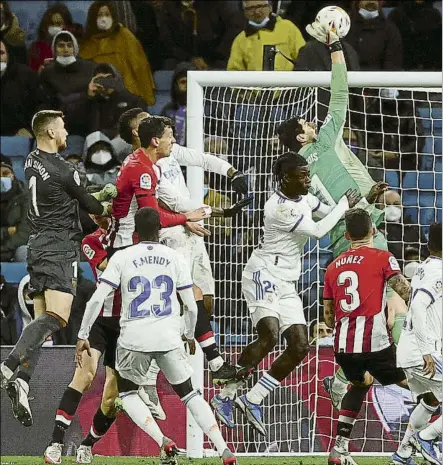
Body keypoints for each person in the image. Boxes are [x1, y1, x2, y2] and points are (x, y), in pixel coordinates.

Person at [276, 21, 407, 410]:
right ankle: (408, 371)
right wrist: (335, 46)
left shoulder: (297, 174)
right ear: (302, 137)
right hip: (364, 237)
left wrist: (368, 199)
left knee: (369, 315)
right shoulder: (318, 152)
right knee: (396, 307)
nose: (312, 122)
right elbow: (339, 94)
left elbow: (326, 206)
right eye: (306, 123)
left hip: (343, 245)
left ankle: (345, 384)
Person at [75, 207, 238, 465]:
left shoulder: (123, 257)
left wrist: (83, 333)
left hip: (133, 338)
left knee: (127, 394)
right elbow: (192, 306)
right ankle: (223, 450)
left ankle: (162, 440)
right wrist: (187, 334)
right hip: (168, 336)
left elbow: (97, 299)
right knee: (190, 394)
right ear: (160, 230)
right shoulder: (175, 258)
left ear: (135, 233)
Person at [212, 150, 359, 433]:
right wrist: (342, 204)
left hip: (287, 281)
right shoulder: (278, 208)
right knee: (270, 335)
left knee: (300, 345)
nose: (307, 180)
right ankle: (224, 397)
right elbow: (318, 231)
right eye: (301, 176)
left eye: (307, 175)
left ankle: (253, 398)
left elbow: (333, 215)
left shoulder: (305, 199)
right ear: (284, 178)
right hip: (263, 273)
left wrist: (359, 204)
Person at [117, 109, 250, 393]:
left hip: (192, 227)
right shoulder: (144, 168)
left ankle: (194, 343)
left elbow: (198, 158)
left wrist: (230, 170)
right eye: (145, 122)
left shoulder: (167, 152)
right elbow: (169, 205)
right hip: (173, 234)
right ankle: (169, 371)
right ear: (140, 134)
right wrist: (210, 213)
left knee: (205, 303)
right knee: (189, 299)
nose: (160, 126)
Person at [0, 110, 117, 428]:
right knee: (58, 317)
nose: (67, 131)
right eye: (63, 127)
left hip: (36, 246)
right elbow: (91, 206)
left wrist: (91, 193)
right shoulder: (65, 170)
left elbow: (71, 194)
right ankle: (10, 365)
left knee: (40, 324)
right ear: (50, 132)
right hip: (59, 248)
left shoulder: (30, 161)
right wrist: (108, 202)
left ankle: (22, 381)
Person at [323, 208, 411, 465]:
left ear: (347, 235)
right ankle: (423, 439)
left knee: (361, 383)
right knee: (416, 384)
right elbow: (404, 290)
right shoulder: (383, 257)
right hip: (375, 343)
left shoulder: (331, 268)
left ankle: (339, 449)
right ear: (373, 231)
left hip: (342, 347)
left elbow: (329, 318)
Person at [44, 211, 120, 464]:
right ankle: (55, 443)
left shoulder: (132, 238)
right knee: (84, 375)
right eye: (98, 215)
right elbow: (107, 267)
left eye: (108, 213)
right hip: (100, 319)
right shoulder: (91, 242)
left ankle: (87, 445)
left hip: (128, 325)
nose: (103, 218)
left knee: (111, 397)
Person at [392, 222, 442, 465]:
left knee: (432, 399)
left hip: (409, 349)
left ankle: (402, 455)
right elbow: (420, 306)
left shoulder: (424, 268)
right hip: (422, 352)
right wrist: (426, 351)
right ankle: (426, 437)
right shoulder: (438, 272)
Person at [79, 1, 155, 105]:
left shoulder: (124, 35)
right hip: (99, 98)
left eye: (107, 14)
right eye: (99, 15)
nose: (104, 18)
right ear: (93, 19)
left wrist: (147, 98)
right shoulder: (86, 43)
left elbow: (140, 68)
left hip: (127, 95)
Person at [63, 62, 146, 139]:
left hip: (122, 140)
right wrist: (88, 96)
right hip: (95, 142)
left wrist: (119, 91)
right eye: (100, 79)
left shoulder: (132, 100)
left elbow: (140, 122)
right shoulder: (91, 101)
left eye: (109, 79)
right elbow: (71, 124)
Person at [157, 0, 244, 70]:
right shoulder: (168, 6)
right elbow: (167, 40)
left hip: (216, 56)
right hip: (182, 59)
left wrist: (210, 58)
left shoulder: (217, 3)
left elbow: (234, 29)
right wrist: (189, 59)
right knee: (170, 66)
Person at [228, 0, 305, 71]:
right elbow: (234, 71)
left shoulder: (288, 28)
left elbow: (303, 59)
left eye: (260, 6)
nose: (257, 12)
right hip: (255, 85)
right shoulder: (240, 39)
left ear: (270, 7)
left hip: (288, 84)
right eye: (251, 8)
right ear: (244, 12)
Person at [37, 30, 96, 112]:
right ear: (54, 49)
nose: (66, 50)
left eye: (69, 45)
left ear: (74, 48)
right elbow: (44, 102)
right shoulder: (47, 72)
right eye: (61, 46)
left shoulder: (90, 68)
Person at [346, 0, 403, 71]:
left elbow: (393, 65)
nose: (371, 1)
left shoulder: (390, 30)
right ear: (357, 2)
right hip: (350, 78)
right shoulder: (345, 28)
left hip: (380, 79)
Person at [0, 39, 39, 137]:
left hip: (18, 135)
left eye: (1, 53)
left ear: (9, 55)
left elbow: (40, 105)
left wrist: (30, 129)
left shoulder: (25, 75)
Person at [29, 3, 75, 73]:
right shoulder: (36, 47)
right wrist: (40, 72)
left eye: (58, 23)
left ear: (66, 24)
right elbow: (31, 75)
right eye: (51, 23)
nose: (55, 27)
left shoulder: (74, 47)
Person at [161, 61, 196, 145]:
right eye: (183, 82)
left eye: (190, 82)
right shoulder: (167, 110)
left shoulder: (207, 109)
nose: (188, 86)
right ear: (176, 86)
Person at [0, 161, 29, 262]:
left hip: (16, 246)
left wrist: (4, 248)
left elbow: (25, 232)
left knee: (24, 252)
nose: (1, 178)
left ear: (12, 175)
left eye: (5, 173)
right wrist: (6, 231)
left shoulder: (26, 195)